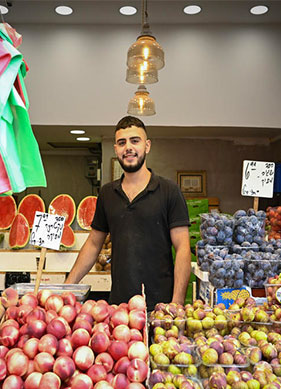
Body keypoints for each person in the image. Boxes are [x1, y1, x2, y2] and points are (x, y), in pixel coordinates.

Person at [65, 116, 191, 309]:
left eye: (135, 140)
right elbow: (93, 244)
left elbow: (183, 248)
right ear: (116, 148)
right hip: (119, 308)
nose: (128, 147)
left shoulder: (169, 191)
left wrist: (177, 303)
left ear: (147, 146)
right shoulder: (107, 193)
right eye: (122, 142)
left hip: (160, 308)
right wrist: (67, 288)